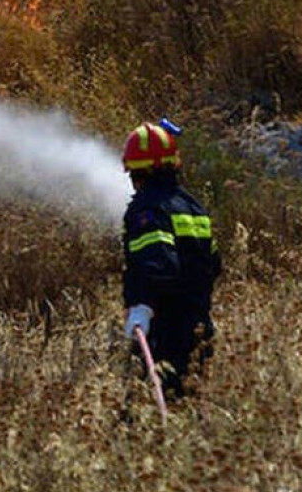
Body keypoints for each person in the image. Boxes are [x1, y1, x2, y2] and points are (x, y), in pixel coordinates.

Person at [120, 120, 221, 397]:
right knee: (189, 414)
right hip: (200, 332)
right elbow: (214, 264)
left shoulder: (146, 209)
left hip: (165, 336)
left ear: (137, 172)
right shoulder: (193, 207)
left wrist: (142, 306)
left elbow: (159, 265)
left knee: (144, 418)